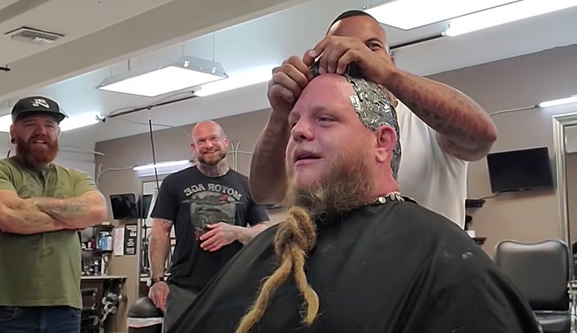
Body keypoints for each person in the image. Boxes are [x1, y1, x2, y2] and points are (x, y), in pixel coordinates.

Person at [168, 71, 538, 333]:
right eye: (295, 121)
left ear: (382, 142)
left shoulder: (441, 257)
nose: (298, 131)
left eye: (324, 118)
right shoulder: (275, 245)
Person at [249, 10, 498, 227]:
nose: (353, 53)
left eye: (372, 46)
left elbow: (482, 136)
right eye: (340, 45)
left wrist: (389, 76)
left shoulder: (426, 122)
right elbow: (266, 192)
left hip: (429, 272)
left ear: (391, 61)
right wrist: (281, 116)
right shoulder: (315, 132)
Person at [0, 96, 107, 333]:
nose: (41, 131)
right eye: (30, 124)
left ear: (58, 133)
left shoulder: (76, 177)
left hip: (66, 309)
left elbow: (96, 211)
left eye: (49, 125)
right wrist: (69, 219)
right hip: (7, 308)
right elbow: (9, 215)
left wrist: (30, 208)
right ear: (13, 132)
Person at [147, 120, 271, 330]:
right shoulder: (174, 183)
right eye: (201, 141)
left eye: (213, 138)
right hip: (184, 289)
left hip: (234, 287)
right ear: (193, 148)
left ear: (225, 142)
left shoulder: (247, 185)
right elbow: (160, 232)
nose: (208, 145)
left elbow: (264, 231)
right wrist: (157, 279)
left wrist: (236, 232)